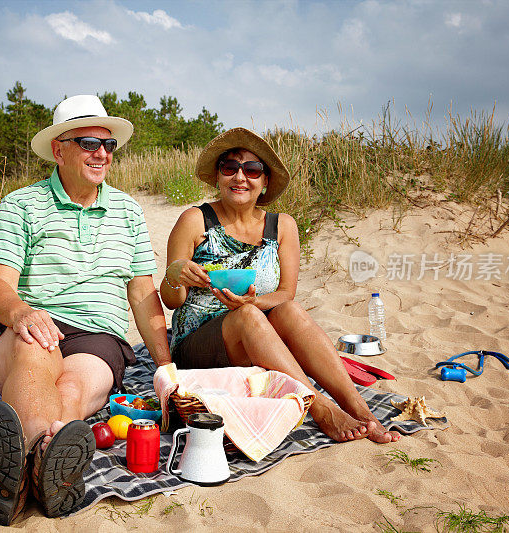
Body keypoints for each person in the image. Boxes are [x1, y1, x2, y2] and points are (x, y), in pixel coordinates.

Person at [0, 95, 172, 525]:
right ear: (59, 149)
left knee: (75, 388)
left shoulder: (129, 211)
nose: (101, 153)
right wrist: (21, 313)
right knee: (34, 351)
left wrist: (167, 370)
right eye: (88, 142)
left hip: (98, 337)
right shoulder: (21, 204)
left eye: (108, 145)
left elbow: (142, 296)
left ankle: (15, 480)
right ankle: (45, 470)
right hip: (32, 322)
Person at [160, 127, 401, 445]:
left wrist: (251, 304)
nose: (240, 177)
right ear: (218, 177)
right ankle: (321, 408)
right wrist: (176, 273)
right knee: (248, 318)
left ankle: (362, 411)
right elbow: (171, 300)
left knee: (290, 310)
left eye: (252, 169)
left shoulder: (282, 226)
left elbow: (286, 292)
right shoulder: (194, 220)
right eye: (230, 167)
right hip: (197, 345)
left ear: (265, 182)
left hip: (256, 332)